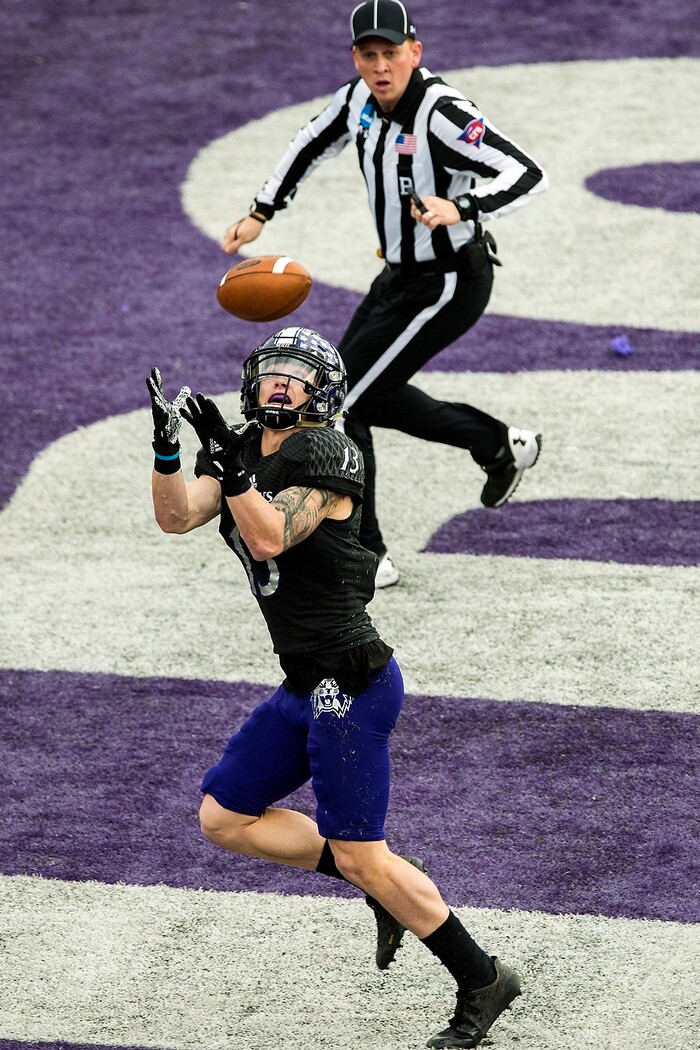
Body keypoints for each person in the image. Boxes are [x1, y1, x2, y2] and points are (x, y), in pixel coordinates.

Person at [147, 325, 522, 1048]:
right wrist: (168, 449)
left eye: (296, 374)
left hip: (351, 681)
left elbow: (269, 536)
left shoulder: (329, 449)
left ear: (323, 390)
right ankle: (382, 877)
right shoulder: (241, 449)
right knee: (224, 817)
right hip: (302, 681)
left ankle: (482, 978)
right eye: (272, 371)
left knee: (360, 853)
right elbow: (175, 516)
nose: (280, 383)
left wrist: (231, 472)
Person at [220, 0, 549, 589]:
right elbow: (308, 143)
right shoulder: (357, 101)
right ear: (356, 58)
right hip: (398, 276)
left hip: (450, 280)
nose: (380, 65)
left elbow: (526, 172)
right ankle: (498, 444)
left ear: (415, 52)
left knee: (342, 407)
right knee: (360, 393)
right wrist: (261, 212)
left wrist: (461, 206)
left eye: (391, 53)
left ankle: (366, 554)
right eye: (368, 54)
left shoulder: (444, 113)